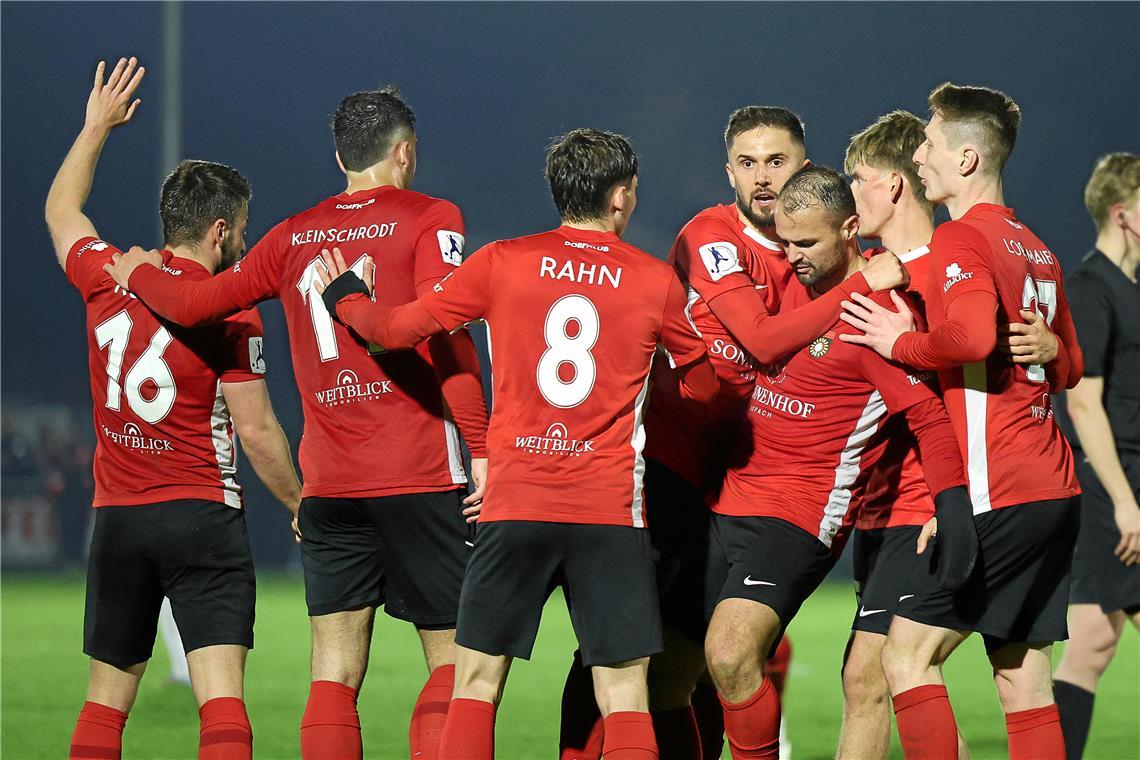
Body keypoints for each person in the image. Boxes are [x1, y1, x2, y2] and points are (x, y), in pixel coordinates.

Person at [103, 85, 490, 760]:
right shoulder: (432, 216)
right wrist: (481, 446)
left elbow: (195, 305)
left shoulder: (291, 235)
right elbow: (447, 333)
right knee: (455, 662)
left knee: (333, 672)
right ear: (407, 151)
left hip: (330, 485)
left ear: (339, 154)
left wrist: (138, 274)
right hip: (420, 474)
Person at [317, 127, 721, 759]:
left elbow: (396, 332)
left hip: (516, 504)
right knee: (624, 695)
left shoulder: (501, 261)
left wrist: (347, 299)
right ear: (620, 197)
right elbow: (704, 386)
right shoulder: (653, 280)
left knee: (476, 684)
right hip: (608, 511)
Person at [560, 106, 908, 760]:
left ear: (805, 168)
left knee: (708, 665)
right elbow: (762, 339)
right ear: (729, 173)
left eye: (776, 161)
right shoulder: (714, 235)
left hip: (747, 487)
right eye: (746, 163)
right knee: (621, 652)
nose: (762, 177)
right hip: (671, 467)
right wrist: (864, 286)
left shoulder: (823, 250)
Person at [46, 57, 302, 760]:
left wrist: (96, 126)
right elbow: (255, 430)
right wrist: (298, 504)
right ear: (220, 231)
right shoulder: (230, 310)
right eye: (242, 229)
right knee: (221, 707)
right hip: (201, 516)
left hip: (119, 518)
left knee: (104, 708)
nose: (245, 242)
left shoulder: (108, 274)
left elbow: (61, 212)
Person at [840, 82, 1083, 759]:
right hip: (1052, 487)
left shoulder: (961, 240)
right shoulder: (1036, 249)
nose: (919, 156)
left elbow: (973, 340)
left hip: (999, 483)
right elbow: (1069, 365)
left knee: (905, 659)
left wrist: (899, 344)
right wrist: (1055, 349)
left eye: (930, 143)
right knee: (1023, 680)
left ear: (968, 160)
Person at [1052, 152, 1140, 759]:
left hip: (1131, 486)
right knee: (1087, 644)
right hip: (1112, 489)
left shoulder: (1131, 288)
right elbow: (1083, 406)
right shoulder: (1088, 289)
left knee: (1091, 643)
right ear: (1124, 213)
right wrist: (1126, 502)